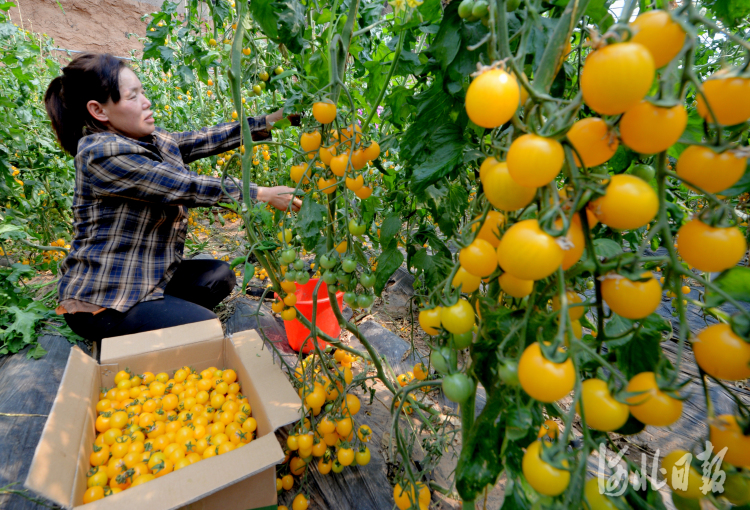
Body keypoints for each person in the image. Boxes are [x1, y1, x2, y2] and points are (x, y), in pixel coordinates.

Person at [43, 52, 300, 349]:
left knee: (220, 276)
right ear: (99, 111)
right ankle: (131, 328)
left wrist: (276, 120)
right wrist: (261, 194)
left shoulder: (146, 140)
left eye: (143, 92)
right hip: (103, 300)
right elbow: (183, 186)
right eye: (132, 96)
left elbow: (206, 138)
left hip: (144, 278)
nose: (146, 101)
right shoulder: (99, 154)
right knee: (205, 328)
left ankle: (158, 316)